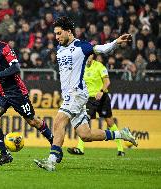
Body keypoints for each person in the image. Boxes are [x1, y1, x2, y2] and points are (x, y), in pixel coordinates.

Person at [34, 16, 137, 171]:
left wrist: (116, 42)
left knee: (58, 121)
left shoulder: (81, 46)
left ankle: (51, 161)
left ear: (68, 32)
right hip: (70, 95)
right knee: (85, 135)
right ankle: (121, 134)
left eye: (59, 33)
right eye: (55, 34)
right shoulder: (60, 48)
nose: (56, 37)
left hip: (77, 93)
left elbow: (101, 49)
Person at [0, 24, 54, 166]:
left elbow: (15, 68)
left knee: (33, 121)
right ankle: (4, 154)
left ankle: (54, 143)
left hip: (15, 91)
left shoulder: (4, 48)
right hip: (0, 93)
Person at [67, 54, 125, 156]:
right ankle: (80, 148)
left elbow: (107, 81)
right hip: (89, 99)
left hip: (102, 97)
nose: (87, 60)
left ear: (92, 57)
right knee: (85, 120)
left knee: (110, 122)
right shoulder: (81, 68)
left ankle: (121, 149)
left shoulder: (99, 66)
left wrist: (101, 91)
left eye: (89, 57)